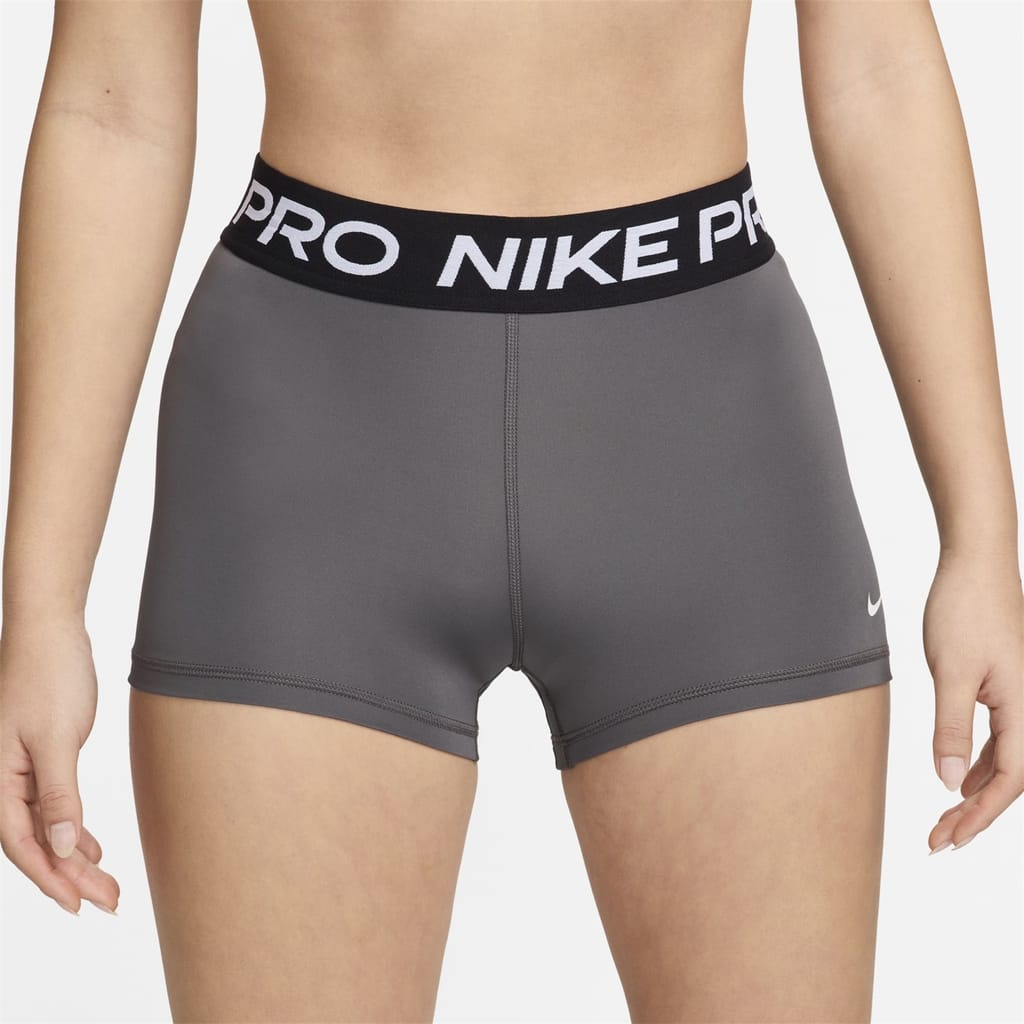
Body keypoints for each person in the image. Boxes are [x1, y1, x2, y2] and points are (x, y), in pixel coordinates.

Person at [1, 1, 1021, 1020]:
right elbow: (113, 107)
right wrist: (40, 607)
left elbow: (878, 66)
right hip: (311, 442)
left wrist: (983, 538)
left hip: (707, 435)